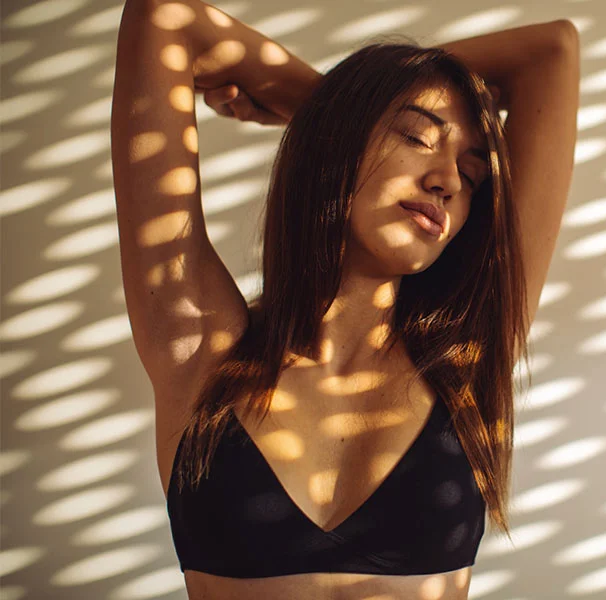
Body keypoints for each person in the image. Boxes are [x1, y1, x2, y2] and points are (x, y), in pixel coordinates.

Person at [111, 0, 579, 597]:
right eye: (416, 136)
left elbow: (554, 52)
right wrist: (338, 109)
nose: (448, 181)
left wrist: (337, 107)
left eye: (471, 173)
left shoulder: (468, 359)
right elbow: (165, 19)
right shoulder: (203, 352)